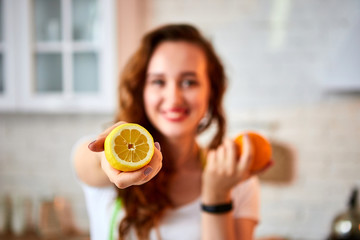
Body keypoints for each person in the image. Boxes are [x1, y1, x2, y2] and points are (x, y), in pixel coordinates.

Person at [73, 23, 269, 240]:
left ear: (211, 92)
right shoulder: (100, 166)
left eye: (188, 82)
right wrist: (109, 157)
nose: (174, 98)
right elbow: (90, 160)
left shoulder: (237, 183)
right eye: (158, 81)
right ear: (142, 90)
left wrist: (216, 196)